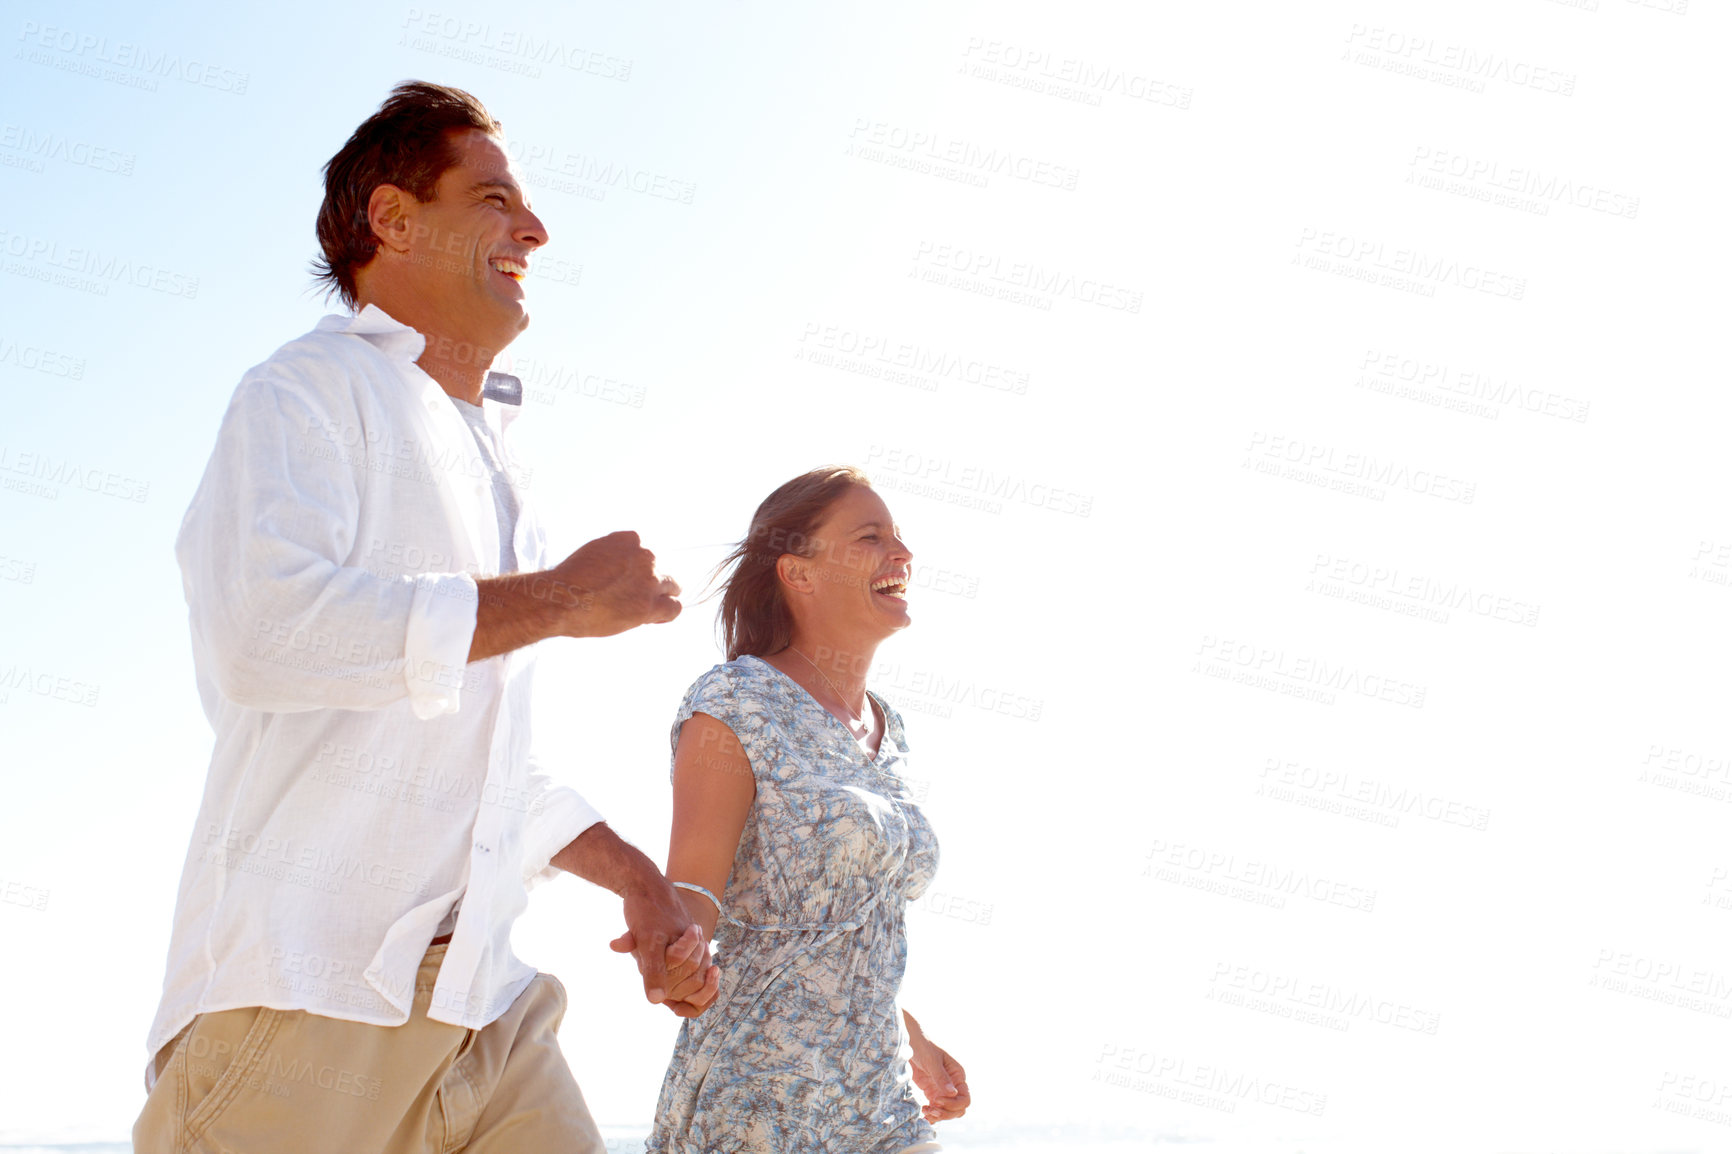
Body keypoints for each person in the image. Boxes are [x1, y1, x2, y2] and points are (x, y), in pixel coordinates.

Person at [134, 81, 717, 1154]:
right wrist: (558, 601)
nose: (533, 229)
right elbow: (261, 633)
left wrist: (637, 876)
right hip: (300, 1009)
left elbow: (484, 766)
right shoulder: (303, 389)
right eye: (494, 198)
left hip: (484, 1016)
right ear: (393, 221)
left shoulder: (500, 462)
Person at [642, 466, 971, 1153]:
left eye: (900, 537)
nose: (901, 554)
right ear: (799, 574)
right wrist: (678, 953)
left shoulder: (890, 727)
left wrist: (913, 1035)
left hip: (878, 1099)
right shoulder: (737, 701)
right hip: (761, 1097)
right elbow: (695, 889)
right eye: (870, 537)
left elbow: (844, 929)